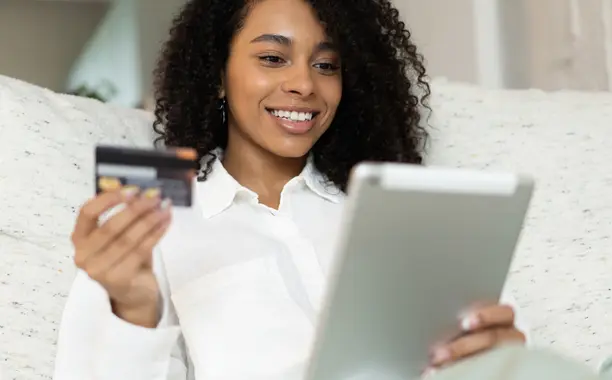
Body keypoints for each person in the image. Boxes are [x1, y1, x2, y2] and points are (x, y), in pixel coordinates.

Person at [53, 0, 526, 379]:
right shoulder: (150, 230)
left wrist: (503, 362)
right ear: (217, 74)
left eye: (326, 65)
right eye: (272, 58)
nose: (303, 84)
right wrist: (134, 311)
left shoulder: (400, 219)